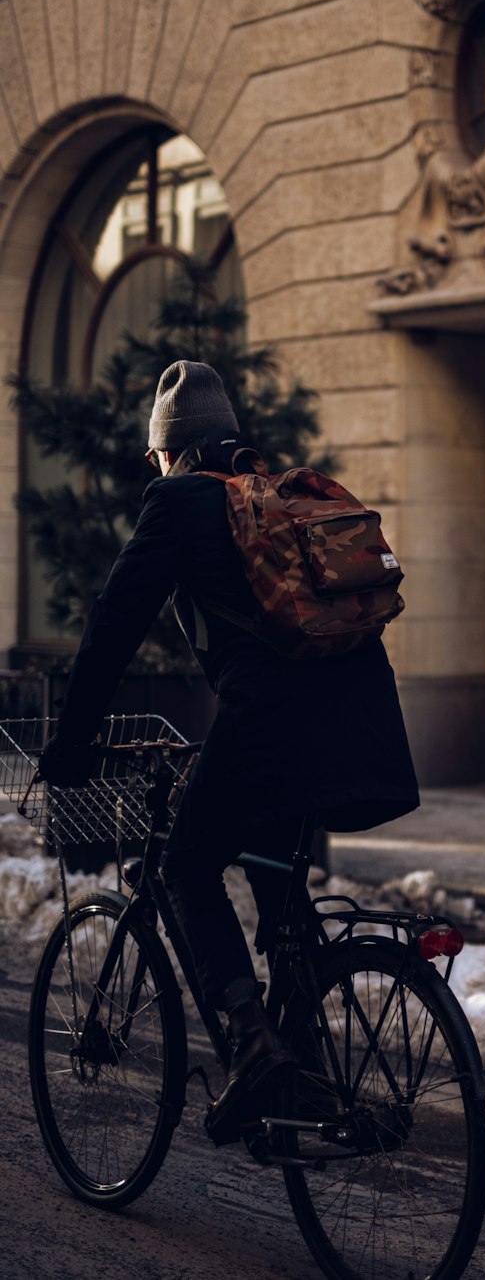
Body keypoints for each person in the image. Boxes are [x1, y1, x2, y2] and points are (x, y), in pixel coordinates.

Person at [38, 360, 419, 1143]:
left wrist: (70, 744)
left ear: (169, 453)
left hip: (272, 725)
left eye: (155, 457)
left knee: (183, 865)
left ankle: (253, 1049)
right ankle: (306, 1081)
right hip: (366, 728)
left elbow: (114, 625)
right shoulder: (280, 499)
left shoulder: (180, 503)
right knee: (278, 888)